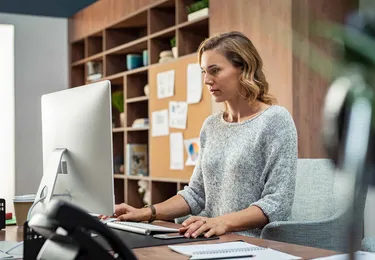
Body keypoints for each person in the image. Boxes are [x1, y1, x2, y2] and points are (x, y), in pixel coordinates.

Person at [108, 31, 298, 238]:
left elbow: (277, 203)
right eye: (204, 72)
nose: (207, 80)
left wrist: (221, 222)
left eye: (215, 70)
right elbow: (196, 194)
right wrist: (146, 213)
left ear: (243, 68)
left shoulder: (275, 120)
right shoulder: (211, 125)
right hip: (211, 240)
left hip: (255, 244)